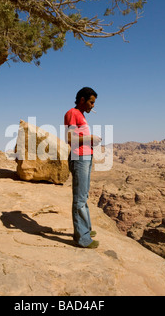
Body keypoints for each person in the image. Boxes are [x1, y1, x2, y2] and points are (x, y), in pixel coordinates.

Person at [64, 87, 101, 248]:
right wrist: (91, 138)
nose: (93, 106)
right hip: (79, 158)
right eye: (91, 102)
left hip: (85, 157)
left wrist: (91, 141)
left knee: (83, 195)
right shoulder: (72, 113)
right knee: (79, 199)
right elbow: (70, 139)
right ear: (82, 100)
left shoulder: (81, 115)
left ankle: (85, 229)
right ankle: (82, 239)